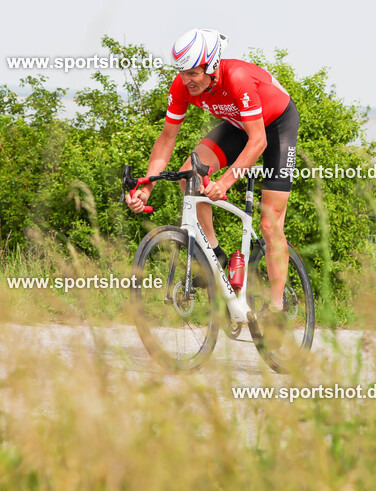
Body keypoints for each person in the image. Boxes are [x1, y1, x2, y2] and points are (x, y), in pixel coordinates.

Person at [125, 28, 298, 321]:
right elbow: (167, 138)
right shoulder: (182, 86)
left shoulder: (237, 78)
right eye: (182, 73)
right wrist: (147, 187)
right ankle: (214, 255)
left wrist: (225, 182)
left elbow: (258, 142)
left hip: (276, 126)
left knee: (270, 225)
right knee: (187, 175)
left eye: (193, 73)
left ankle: (276, 310)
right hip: (238, 125)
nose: (186, 80)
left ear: (212, 66)